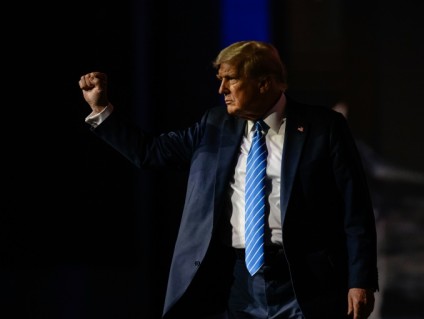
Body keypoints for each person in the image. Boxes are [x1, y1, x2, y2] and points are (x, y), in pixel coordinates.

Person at [78, 40, 379, 319]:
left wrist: (361, 280)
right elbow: (151, 153)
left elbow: (356, 210)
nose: (222, 89)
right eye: (221, 79)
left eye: (231, 79)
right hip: (237, 282)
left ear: (264, 83)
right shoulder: (214, 124)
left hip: (306, 281)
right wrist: (101, 110)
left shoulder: (323, 128)